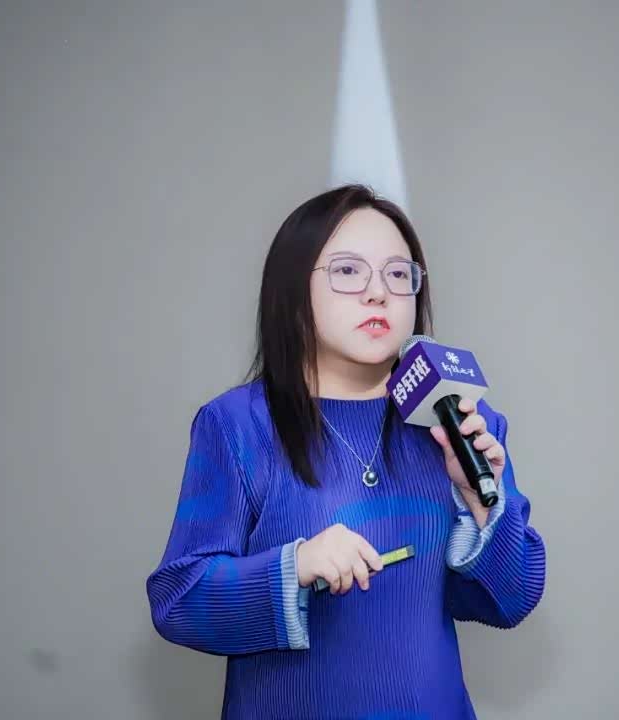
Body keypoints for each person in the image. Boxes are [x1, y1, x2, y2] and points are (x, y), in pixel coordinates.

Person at [145, 184, 546, 719]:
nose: (378, 293)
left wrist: (478, 501)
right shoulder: (238, 424)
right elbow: (179, 601)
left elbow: (511, 600)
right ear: (293, 288)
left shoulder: (458, 419)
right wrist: (293, 566)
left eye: (398, 275)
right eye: (349, 271)